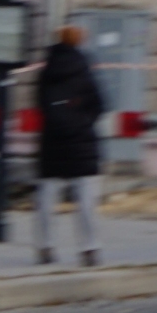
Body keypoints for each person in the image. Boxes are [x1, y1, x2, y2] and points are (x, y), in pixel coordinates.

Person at [35, 25, 105, 266]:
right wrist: (83, 122)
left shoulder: (46, 70)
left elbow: (41, 104)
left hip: (52, 140)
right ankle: (89, 248)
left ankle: (46, 247)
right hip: (81, 141)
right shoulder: (83, 68)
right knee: (85, 198)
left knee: (47, 195)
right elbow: (99, 104)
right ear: (79, 42)